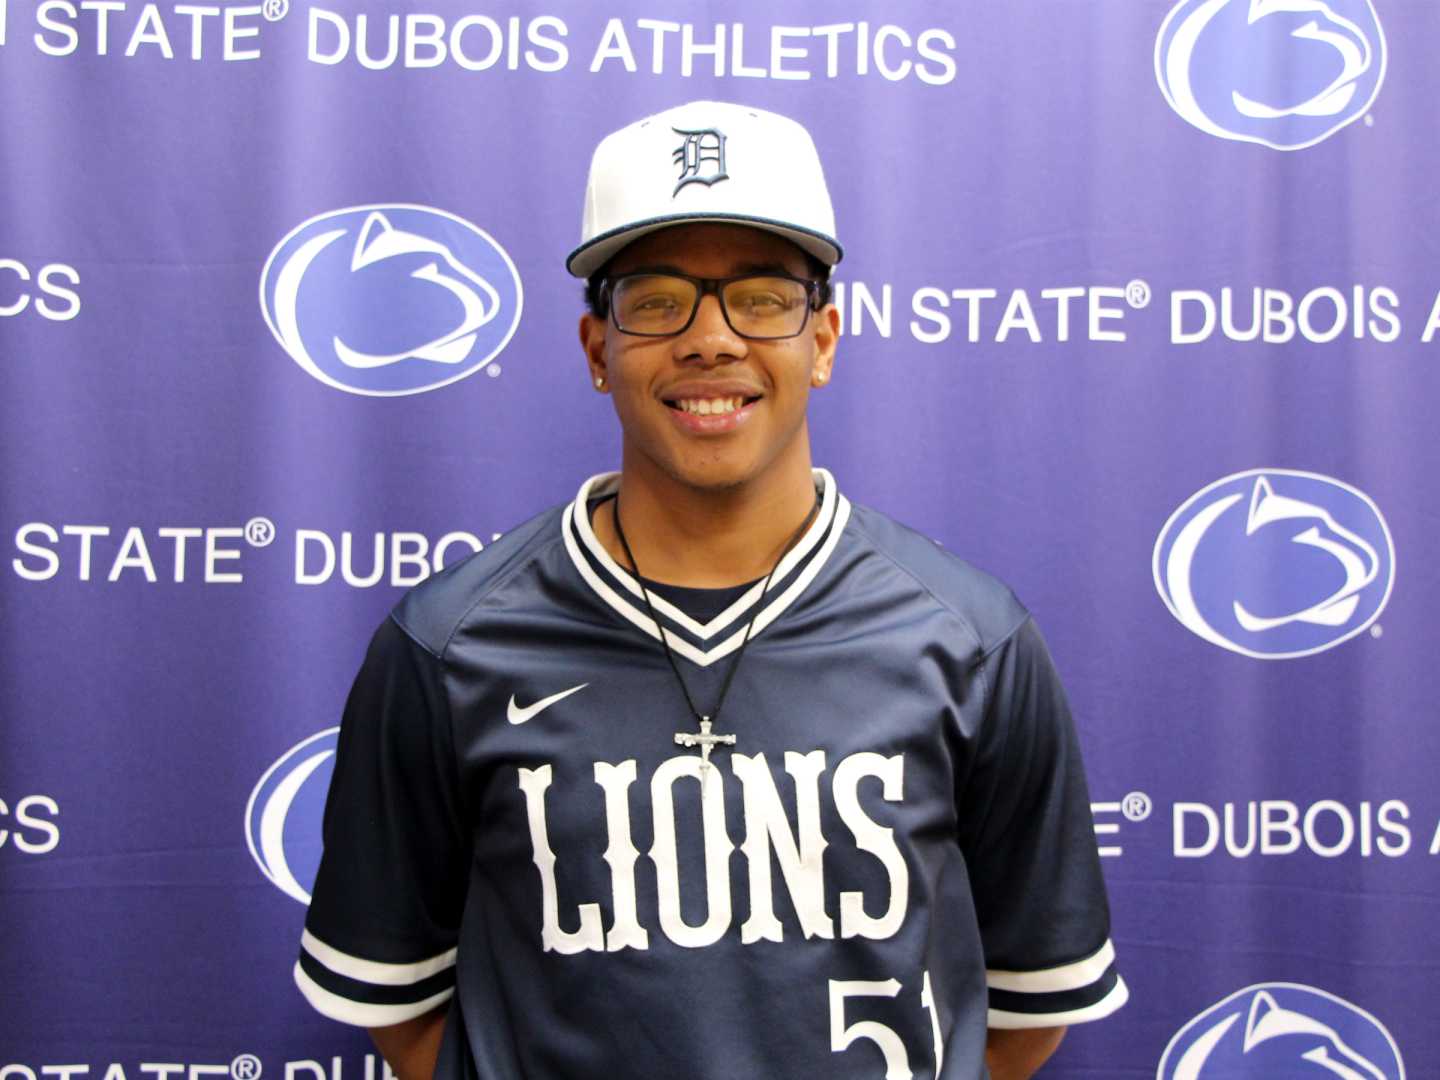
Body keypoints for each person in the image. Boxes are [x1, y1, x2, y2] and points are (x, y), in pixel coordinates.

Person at [295, 100, 1127, 1079]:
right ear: (598, 349)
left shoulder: (972, 640)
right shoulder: (447, 645)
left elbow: (1024, 1012)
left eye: (762, 297)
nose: (711, 340)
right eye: (656, 300)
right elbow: (401, 1008)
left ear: (822, 338)